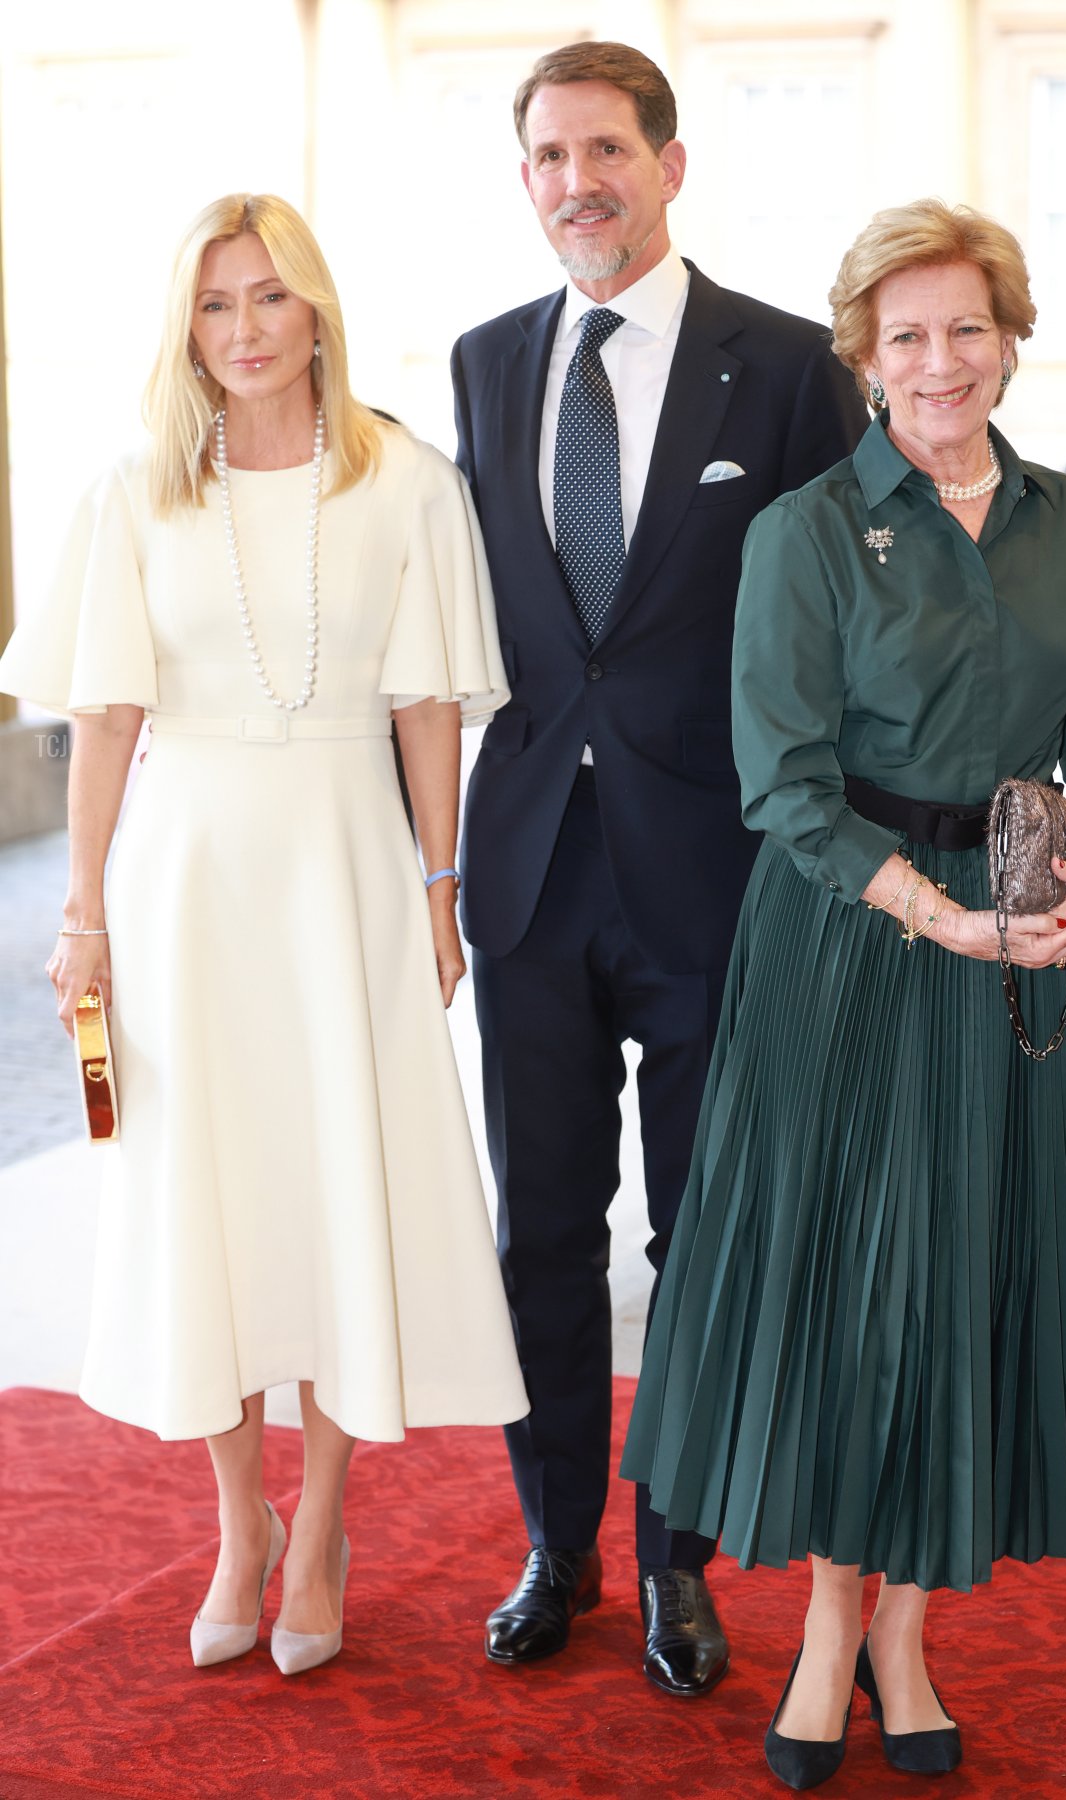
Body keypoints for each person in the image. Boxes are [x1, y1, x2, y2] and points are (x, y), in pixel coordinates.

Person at [622, 199, 1066, 1789]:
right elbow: (785, 789)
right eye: (907, 335)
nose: (942, 362)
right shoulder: (802, 533)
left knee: (975, 1297)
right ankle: (823, 1635)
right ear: (865, 358)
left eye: (969, 329)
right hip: (858, 950)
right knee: (856, 1308)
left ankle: (910, 1639)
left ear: (1011, 341)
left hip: (1030, 959)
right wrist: (946, 921)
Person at [0, 193, 528, 1677]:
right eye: (216, 305)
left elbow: (430, 706)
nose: (243, 331)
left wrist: (442, 891)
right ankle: (242, 1522)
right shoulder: (133, 492)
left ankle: (331, 1525)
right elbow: (100, 716)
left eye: (268, 299)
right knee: (211, 1204)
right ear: (190, 327)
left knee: (338, 1186)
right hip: (183, 887)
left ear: (317, 312)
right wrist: (83, 912)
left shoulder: (405, 480)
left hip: (348, 874)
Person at [450, 39, 865, 1696]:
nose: (578, 183)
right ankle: (555, 1545)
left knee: (701, 1236)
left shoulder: (778, 366)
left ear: (671, 165)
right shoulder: (485, 365)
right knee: (541, 1231)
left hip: (721, 879)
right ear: (528, 179)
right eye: (549, 157)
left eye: (607, 150)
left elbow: (836, 615)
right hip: (536, 873)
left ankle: (676, 1557)